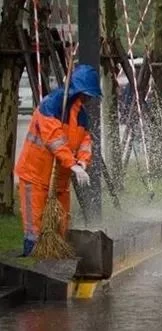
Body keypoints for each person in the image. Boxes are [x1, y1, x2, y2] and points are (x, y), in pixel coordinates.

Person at [14, 64, 102, 257]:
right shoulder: (51, 105)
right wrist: (72, 165)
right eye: (85, 94)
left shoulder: (81, 115)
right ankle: (32, 260)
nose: (87, 99)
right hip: (34, 176)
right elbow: (54, 139)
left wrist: (83, 162)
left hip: (59, 181)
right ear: (76, 90)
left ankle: (55, 262)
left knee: (61, 225)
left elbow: (85, 142)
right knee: (34, 227)